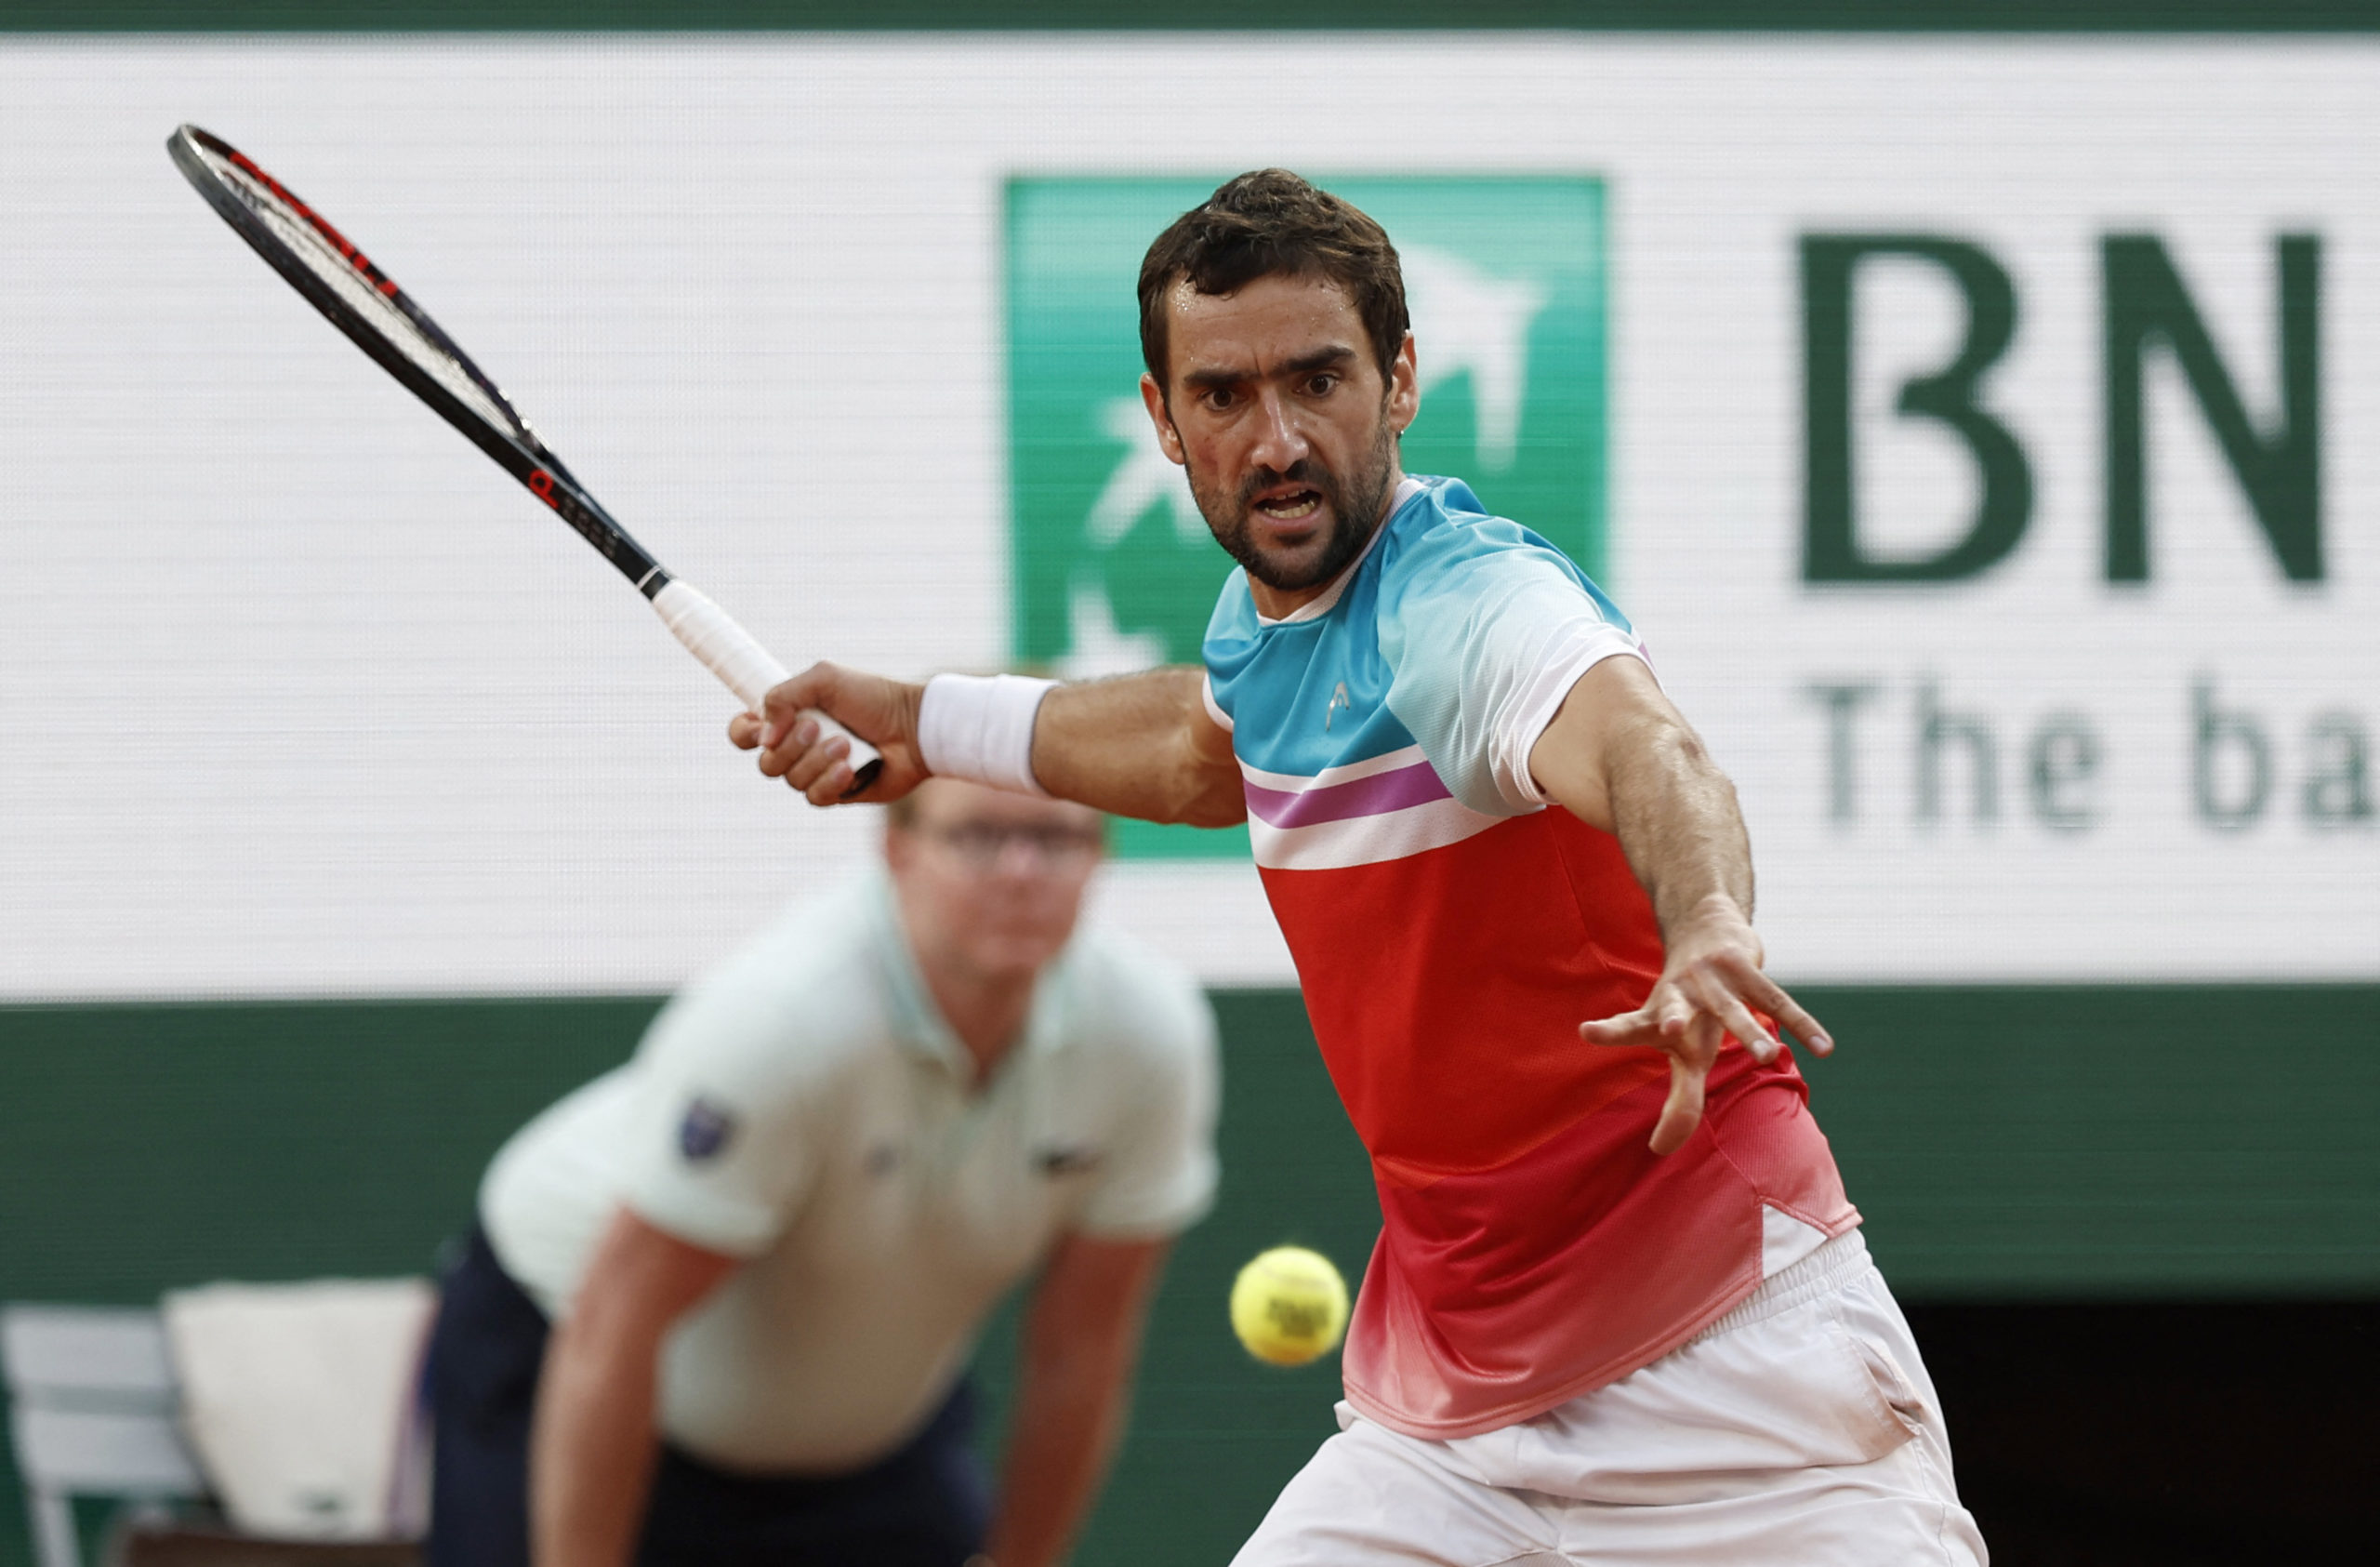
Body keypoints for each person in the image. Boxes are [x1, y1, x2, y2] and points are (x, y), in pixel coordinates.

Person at [737, 170, 1987, 1565]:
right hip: (1451, 1428)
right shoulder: (1271, 630)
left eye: (1317, 379)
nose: (1276, 440)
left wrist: (1701, 913)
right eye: (1222, 397)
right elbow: (1205, 748)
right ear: (1163, 420)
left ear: (1398, 383)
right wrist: (928, 724)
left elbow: (1647, 748)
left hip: (1745, 1383)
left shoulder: (1472, 601)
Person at [422, 777, 1220, 1567]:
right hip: (566, 1348)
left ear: (1099, 855)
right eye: (976, 835)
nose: (1019, 870)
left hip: (868, 1436)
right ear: (897, 849)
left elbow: (1081, 1349)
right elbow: (614, 1323)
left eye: (1056, 838)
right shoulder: (784, 1020)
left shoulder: (1150, 1036)